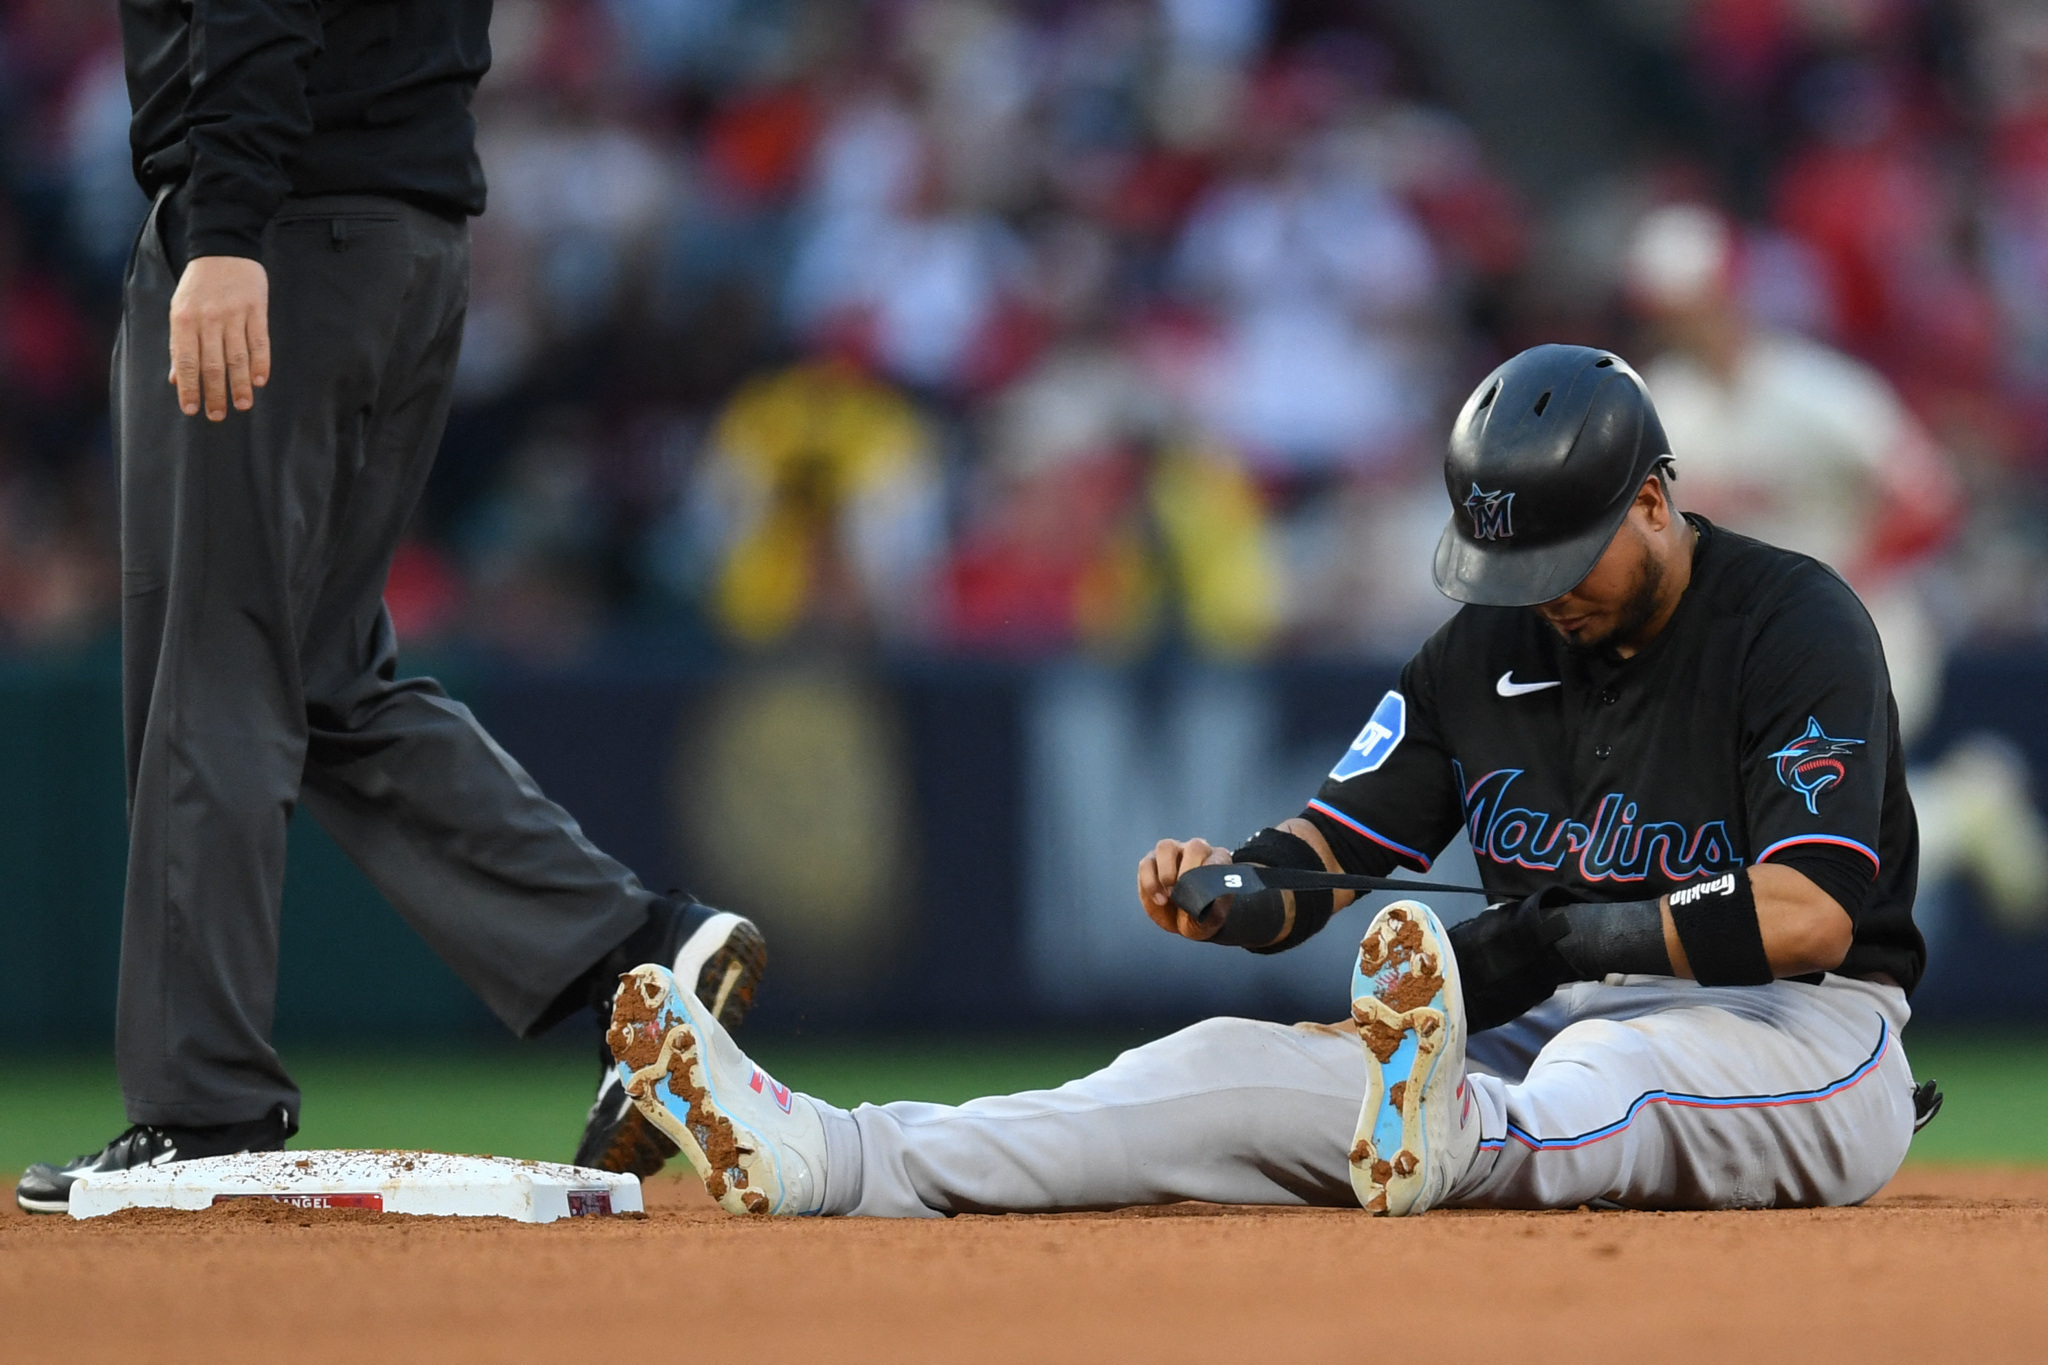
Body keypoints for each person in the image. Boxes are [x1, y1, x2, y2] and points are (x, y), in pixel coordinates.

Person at [595, 345, 1934, 1218]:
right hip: (1521, 1039)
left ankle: (1453, 1131)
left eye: (1563, 561)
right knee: (1212, 1068)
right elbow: (1330, 850)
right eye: (1510, 569)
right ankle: (842, 1155)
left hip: (1795, 1032)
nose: (1540, 599)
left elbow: (1810, 911)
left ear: (1653, 500)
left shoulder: (1793, 621)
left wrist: (1547, 940)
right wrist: (1235, 887)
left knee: (1608, 1064)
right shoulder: (1486, 649)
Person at [13, 0, 762, 1214]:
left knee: (215, 670)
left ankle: (200, 1109)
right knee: (320, 674)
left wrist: (222, 229)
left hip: (277, 233)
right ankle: (631, 947)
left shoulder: (248, 217)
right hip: (405, 232)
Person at [1627, 202, 2048, 933]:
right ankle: (1965, 807)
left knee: (1795, 831)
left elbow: (1930, 499)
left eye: (1698, 299)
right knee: (1775, 833)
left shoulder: (1816, 389)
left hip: (1868, 623)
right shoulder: (1663, 403)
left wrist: (1840, 578)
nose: (1688, 318)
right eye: (1672, 306)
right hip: (1756, 648)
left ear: (1731, 291)